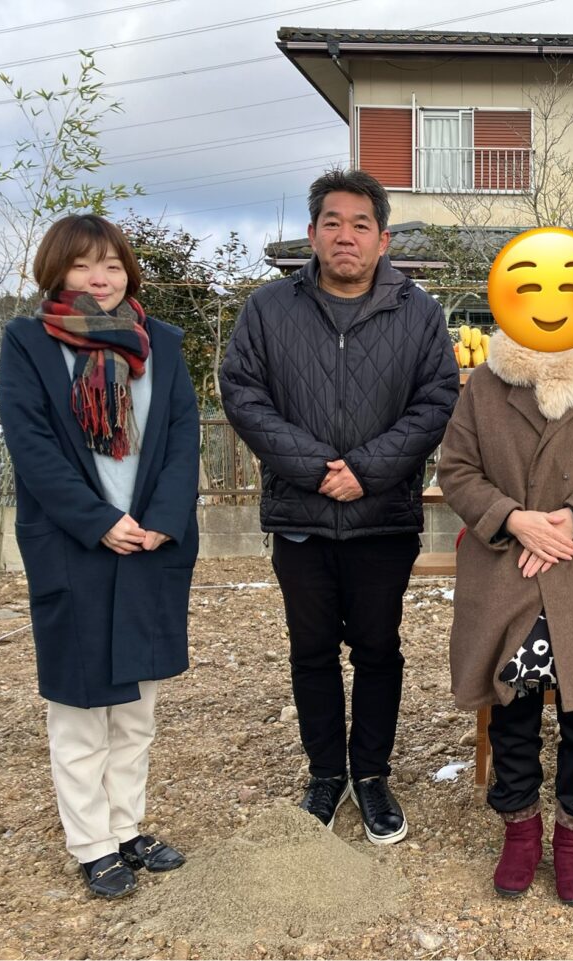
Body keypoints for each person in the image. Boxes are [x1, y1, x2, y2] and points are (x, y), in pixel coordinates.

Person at [219, 168, 458, 839]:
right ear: (312, 233)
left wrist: (368, 470)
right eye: (333, 222)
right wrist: (313, 469)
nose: (345, 236)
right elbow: (243, 393)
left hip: (382, 518)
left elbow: (436, 402)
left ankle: (373, 774)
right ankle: (326, 772)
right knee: (312, 648)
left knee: (379, 648)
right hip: (301, 518)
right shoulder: (269, 310)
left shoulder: (420, 313)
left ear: (382, 239)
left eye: (360, 225)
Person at [439, 227, 573, 905]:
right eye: (532, 287)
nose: (550, 301)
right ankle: (519, 828)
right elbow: (456, 467)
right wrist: (512, 517)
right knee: (512, 707)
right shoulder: (485, 382)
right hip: (510, 572)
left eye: (569, 287)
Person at [0, 214, 200, 899]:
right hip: (75, 545)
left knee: (137, 706)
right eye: (84, 265)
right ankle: (92, 843)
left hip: (148, 545)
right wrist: (99, 521)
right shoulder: (28, 343)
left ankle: (127, 828)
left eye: (111, 265)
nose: (100, 277)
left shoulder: (162, 344)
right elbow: (32, 449)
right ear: (57, 271)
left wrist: (162, 521)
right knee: (82, 707)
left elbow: (180, 438)